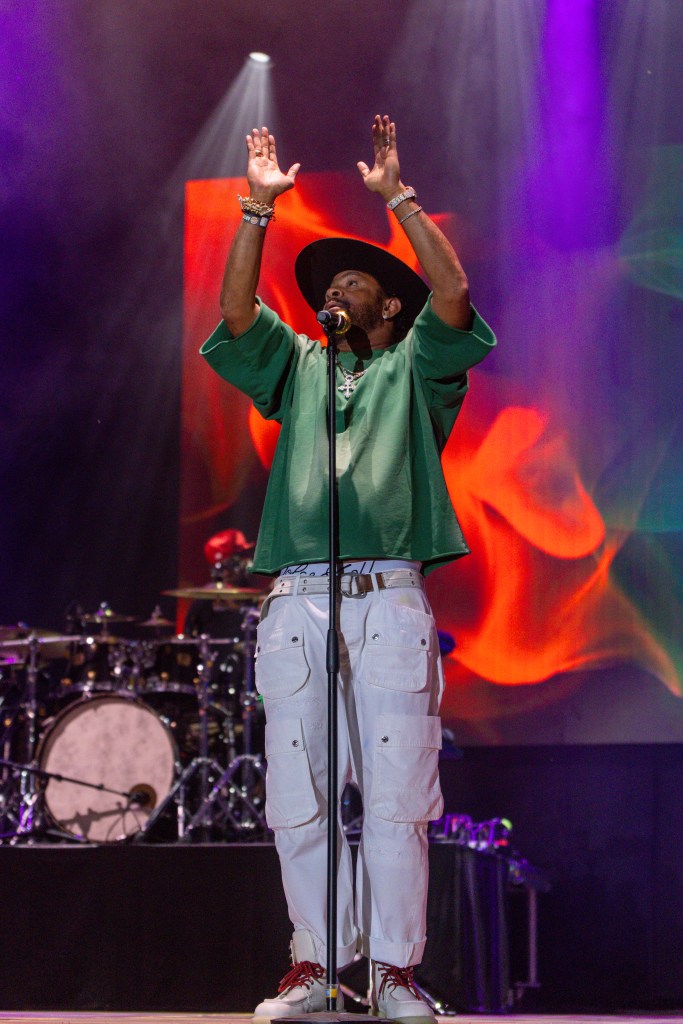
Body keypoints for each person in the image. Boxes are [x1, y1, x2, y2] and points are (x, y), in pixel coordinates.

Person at [200, 114, 496, 1023]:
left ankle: (394, 973)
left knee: (399, 795)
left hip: (387, 599)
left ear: (388, 307)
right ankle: (318, 963)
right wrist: (256, 210)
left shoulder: (419, 366)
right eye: (328, 285)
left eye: (354, 282)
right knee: (299, 794)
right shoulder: (296, 365)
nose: (335, 290)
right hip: (297, 599)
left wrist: (397, 198)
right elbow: (236, 315)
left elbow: (454, 292)